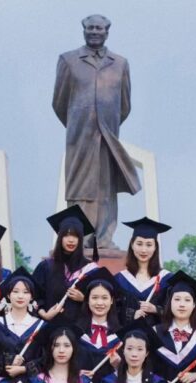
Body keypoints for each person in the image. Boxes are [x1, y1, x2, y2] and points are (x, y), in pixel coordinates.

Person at [53, 14, 140, 250]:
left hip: (108, 136)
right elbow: (59, 103)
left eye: (99, 28)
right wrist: (79, 122)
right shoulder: (69, 60)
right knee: (80, 186)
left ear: (107, 31)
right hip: (79, 137)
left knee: (106, 188)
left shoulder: (120, 63)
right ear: (83, 30)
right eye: (90, 27)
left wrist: (106, 124)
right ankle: (80, 236)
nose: (94, 31)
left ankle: (104, 238)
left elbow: (124, 104)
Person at [33, 206, 98, 324]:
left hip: (80, 331)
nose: (71, 240)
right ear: (60, 237)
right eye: (66, 235)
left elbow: (102, 300)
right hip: (50, 329)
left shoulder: (90, 269)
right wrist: (44, 315)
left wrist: (84, 299)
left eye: (75, 236)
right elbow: (34, 296)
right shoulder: (46, 267)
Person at [0, 267, 43, 380]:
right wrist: (9, 360)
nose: (20, 296)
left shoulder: (41, 326)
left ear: (31, 296)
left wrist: (25, 369)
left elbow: (47, 360)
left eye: (26, 292)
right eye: (15, 291)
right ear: (8, 295)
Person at [115, 217, 172, 326]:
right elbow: (112, 311)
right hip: (128, 339)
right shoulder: (119, 279)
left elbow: (176, 311)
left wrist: (156, 309)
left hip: (157, 338)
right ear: (132, 245)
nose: (144, 250)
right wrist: (131, 314)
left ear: (155, 247)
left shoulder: (167, 279)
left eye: (149, 244)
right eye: (139, 244)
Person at [75, 268, 124, 374]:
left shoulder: (120, 336)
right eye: (95, 297)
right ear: (87, 300)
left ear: (111, 301)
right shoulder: (76, 332)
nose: (100, 303)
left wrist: (118, 366)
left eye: (105, 298)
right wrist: (76, 373)